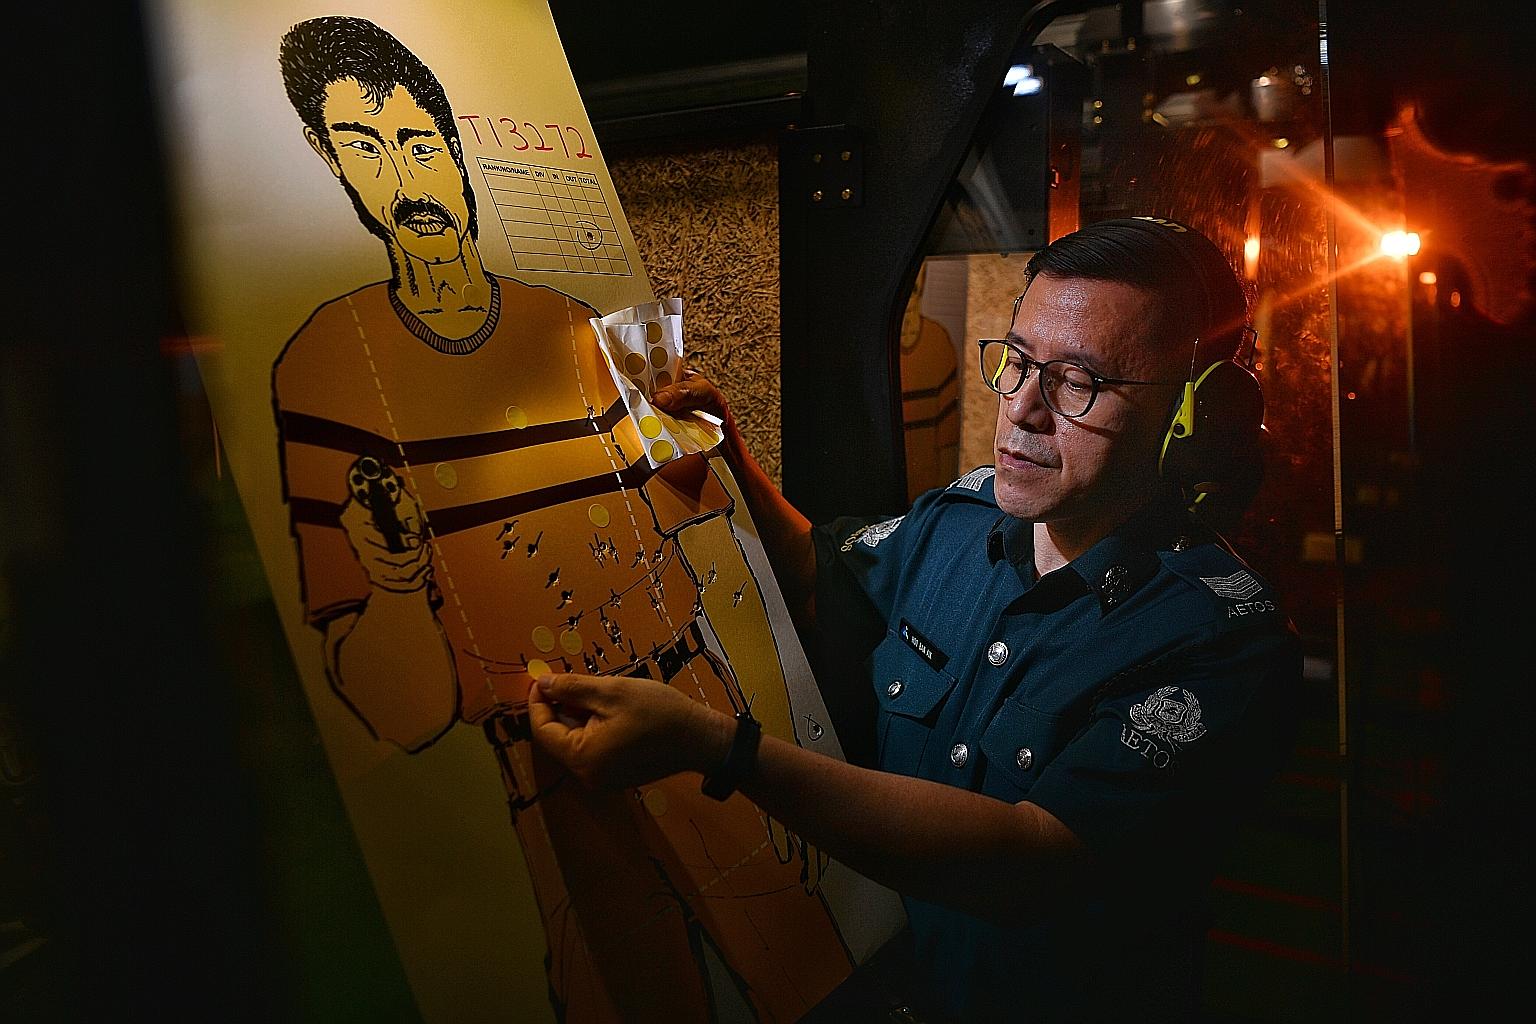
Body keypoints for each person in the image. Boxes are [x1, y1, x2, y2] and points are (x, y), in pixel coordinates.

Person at [529, 216, 1303, 1022]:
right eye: (1018, 361)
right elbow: (827, 574)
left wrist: (721, 751)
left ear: (1193, 421)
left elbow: (1032, 857)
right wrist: (729, 458)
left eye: (1078, 382)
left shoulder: (1221, 639)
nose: (1023, 410)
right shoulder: (963, 519)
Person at [272, 15, 852, 1022]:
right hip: (554, 766)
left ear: (453, 148)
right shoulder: (327, 366)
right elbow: (391, 711)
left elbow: (709, 548)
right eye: (362, 149)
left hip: (693, 712)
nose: (400, 173)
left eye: (414, 141)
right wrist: (402, 583)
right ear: (329, 162)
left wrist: (787, 732)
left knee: (815, 975)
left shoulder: (576, 323)